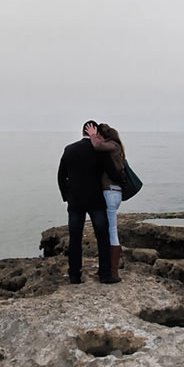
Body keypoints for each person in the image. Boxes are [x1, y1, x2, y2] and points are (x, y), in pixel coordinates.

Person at [57, 120, 122, 284]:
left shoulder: (69, 149)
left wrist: (67, 196)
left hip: (75, 200)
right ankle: (106, 275)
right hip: (95, 199)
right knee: (102, 237)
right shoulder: (99, 151)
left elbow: (61, 176)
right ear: (95, 133)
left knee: (75, 238)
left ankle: (74, 276)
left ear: (82, 132)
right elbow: (112, 173)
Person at [86, 122, 126, 280]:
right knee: (111, 230)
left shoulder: (112, 145)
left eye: (99, 134)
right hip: (115, 192)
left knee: (112, 232)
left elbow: (96, 146)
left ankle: (113, 272)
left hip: (110, 193)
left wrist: (92, 134)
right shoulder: (118, 147)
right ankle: (109, 270)